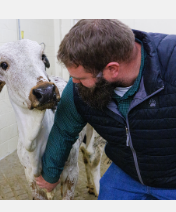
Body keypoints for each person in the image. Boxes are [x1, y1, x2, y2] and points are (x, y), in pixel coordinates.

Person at [35, 19, 176, 200]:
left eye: (81, 77)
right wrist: (50, 176)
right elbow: (63, 129)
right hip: (127, 172)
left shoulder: (171, 64)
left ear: (112, 69)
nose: (74, 83)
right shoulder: (78, 88)